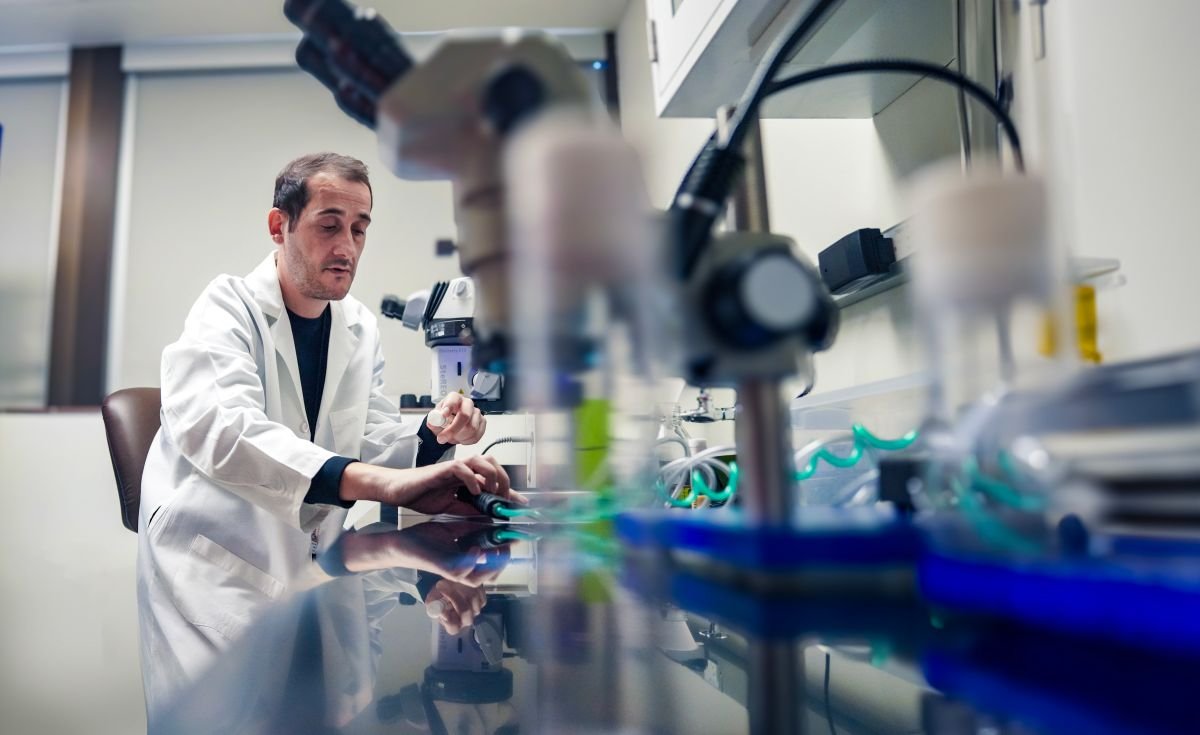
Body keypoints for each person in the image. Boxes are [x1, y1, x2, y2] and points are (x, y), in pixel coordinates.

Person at [135, 152, 524, 716]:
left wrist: (434, 439)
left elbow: (366, 442)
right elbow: (225, 431)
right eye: (329, 225)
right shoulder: (226, 309)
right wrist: (385, 485)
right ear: (280, 226)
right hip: (218, 576)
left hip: (316, 576)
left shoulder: (358, 328)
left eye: (359, 229)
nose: (347, 247)